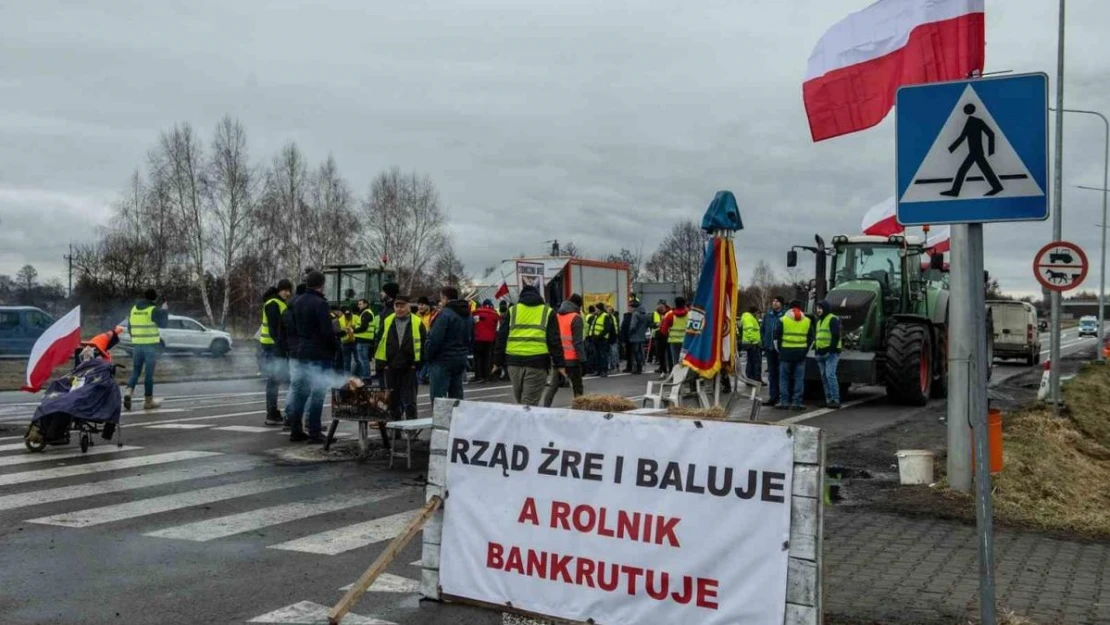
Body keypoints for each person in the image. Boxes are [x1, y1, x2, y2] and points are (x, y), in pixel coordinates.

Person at [287, 271, 339, 443]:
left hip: (302, 352)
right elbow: (326, 331)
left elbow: (292, 327)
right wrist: (334, 348)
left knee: (301, 392)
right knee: (318, 393)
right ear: (322, 284)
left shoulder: (297, 301)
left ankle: (295, 429)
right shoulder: (321, 303)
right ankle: (314, 431)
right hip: (319, 353)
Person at [495, 284, 565, 406]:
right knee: (528, 405)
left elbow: (502, 337)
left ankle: (522, 423)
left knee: (522, 402)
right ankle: (525, 424)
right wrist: (560, 364)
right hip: (537, 362)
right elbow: (554, 341)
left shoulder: (513, 310)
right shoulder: (548, 312)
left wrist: (497, 361)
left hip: (513, 362)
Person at [376, 294, 426, 420]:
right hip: (391, 366)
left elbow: (424, 343)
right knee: (393, 400)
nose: (399, 309)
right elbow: (378, 341)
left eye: (402, 306)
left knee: (410, 401)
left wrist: (417, 364)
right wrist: (383, 364)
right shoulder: (388, 321)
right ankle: (395, 431)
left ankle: (411, 432)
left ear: (409, 306)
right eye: (397, 306)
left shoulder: (417, 322)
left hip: (409, 366)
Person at [124, 289, 169, 411]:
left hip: (137, 346)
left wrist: (135, 338)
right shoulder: (152, 310)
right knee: (149, 374)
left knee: (136, 371)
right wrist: (164, 310)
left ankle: (128, 391)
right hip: (150, 347)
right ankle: (148, 402)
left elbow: (129, 327)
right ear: (154, 299)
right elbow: (164, 324)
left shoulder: (133, 309)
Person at [426, 286, 471, 402]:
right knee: (456, 398)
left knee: (439, 399)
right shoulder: (467, 315)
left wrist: (427, 356)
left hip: (442, 360)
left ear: (444, 298)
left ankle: (442, 420)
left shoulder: (445, 315)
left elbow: (435, 339)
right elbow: (470, 338)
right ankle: (455, 420)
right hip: (460, 359)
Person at [260, 279, 294, 426]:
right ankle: (273, 413)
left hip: (272, 346)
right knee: (275, 380)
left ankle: (274, 412)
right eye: (285, 290)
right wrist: (283, 346)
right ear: (279, 290)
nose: (288, 293)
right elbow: (275, 329)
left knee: (275, 380)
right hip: (273, 347)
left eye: (289, 290)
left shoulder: (278, 302)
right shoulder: (273, 303)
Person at [543, 293, 586, 407]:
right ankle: (579, 412)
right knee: (577, 388)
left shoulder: (557, 316)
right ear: (578, 305)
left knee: (553, 387)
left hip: (558, 359)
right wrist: (583, 360)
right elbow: (577, 342)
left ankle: (545, 408)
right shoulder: (576, 318)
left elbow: (552, 337)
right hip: (572, 360)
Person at [775, 299, 814, 411]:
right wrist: (805, 351)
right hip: (800, 354)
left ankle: (784, 402)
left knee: (784, 378)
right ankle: (797, 402)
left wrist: (780, 351)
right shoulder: (807, 320)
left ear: (789, 308)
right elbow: (811, 339)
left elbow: (776, 337)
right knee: (799, 379)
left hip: (785, 354)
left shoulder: (783, 320)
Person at [280, 283, 307, 431]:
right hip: (304, 351)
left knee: (294, 385)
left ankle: (289, 416)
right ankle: (306, 421)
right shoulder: (303, 308)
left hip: (292, 352)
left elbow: (281, 333)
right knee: (309, 385)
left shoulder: (287, 309)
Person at [814, 300, 842, 409]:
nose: (818, 310)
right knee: (825, 377)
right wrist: (817, 351)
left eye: (820, 308)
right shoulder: (819, 321)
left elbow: (835, 335)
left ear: (825, 308)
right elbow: (818, 337)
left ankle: (835, 399)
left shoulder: (832, 319)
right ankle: (829, 399)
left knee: (830, 376)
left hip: (830, 353)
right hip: (821, 353)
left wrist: (831, 349)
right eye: (817, 308)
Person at [761, 296, 786, 407]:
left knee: (781, 374)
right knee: (772, 374)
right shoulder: (768, 315)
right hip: (769, 349)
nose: (775, 303)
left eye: (777, 301)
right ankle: (773, 397)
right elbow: (763, 330)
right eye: (774, 301)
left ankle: (781, 398)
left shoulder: (785, 316)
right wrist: (764, 342)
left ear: (781, 304)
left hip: (780, 350)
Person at [659, 297, 690, 377]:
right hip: (686, 342)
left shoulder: (670, 315)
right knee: (686, 360)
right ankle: (686, 377)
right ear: (684, 304)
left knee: (675, 361)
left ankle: (677, 377)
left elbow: (663, 331)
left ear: (675, 304)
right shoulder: (690, 314)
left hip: (674, 341)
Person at [471, 300, 499, 382]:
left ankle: (479, 376)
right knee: (488, 358)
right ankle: (487, 375)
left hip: (478, 339)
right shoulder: (495, 314)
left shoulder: (476, 313)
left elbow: (473, 324)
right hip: (490, 340)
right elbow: (496, 327)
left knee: (478, 358)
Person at [586, 304, 615, 378]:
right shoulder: (596, 316)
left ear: (600, 309)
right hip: (595, 339)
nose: (595, 310)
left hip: (602, 339)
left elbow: (607, 329)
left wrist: (599, 336)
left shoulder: (605, 316)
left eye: (596, 308)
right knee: (597, 355)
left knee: (603, 355)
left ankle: (604, 371)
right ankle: (599, 370)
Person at [352, 298, 377, 379]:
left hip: (363, 340)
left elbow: (363, 327)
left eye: (360, 304)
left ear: (366, 304)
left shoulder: (366, 313)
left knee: (363, 360)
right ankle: (365, 376)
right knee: (363, 359)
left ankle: (366, 377)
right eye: (358, 304)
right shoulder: (365, 313)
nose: (358, 306)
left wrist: (354, 330)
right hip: (364, 340)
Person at [627, 298, 649, 375]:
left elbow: (633, 326)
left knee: (636, 352)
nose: (629, 308)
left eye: (630, 307)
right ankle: (640, 367)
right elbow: (647, 325)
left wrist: (629, 332)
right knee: (640, 351)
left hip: (635, 336)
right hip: (642, 335)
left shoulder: (635, 314)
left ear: (634, 307)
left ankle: (638, 368)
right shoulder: (645, 313)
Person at [740, 305, 762, 383]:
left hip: (749, 343)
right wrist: (754, 342)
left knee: (750, 361)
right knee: (756, 362)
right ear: (755, 312)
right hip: (752, 344)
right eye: (757, 313)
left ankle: (750, 378)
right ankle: (756, 379)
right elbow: (750, 330)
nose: (758, 315)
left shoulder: (747, 317)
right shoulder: (750, 318)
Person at [336, 306, 358, 374]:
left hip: (355, 341)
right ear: (343, 313)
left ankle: (358, 376)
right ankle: (347, 378)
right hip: (345, 342)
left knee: (358, 360)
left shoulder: (356, 317)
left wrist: (353, 328)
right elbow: (338, 330)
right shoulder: (340, 320)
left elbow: (359, 327)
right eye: (346, 314)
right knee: (346, 361)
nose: (348, 315)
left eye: (349, 314)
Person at [652, 300, 670, 373]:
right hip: (658, 335)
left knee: (669, 353)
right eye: (659, 306)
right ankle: (662, 369)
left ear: (665, 305)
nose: (660, 307)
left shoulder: (669, 312)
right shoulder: (655, 313)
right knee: (660, 353)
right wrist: (656, 324)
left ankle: (670, 368)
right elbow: (651, 324)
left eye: (661, 306)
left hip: (667, 335)